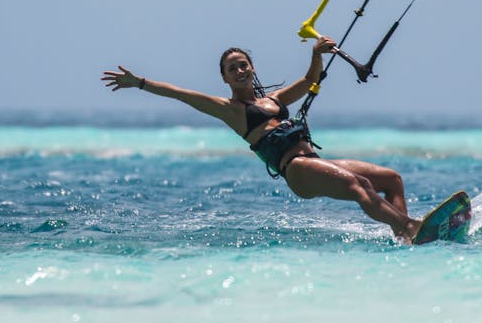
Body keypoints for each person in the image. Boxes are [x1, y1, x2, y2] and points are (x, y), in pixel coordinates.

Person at [101, 36, 423, 242]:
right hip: (296, 170)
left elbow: (311, 79)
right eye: (232, 69)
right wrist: (139, 82)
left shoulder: (276, 99)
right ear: (224, 78)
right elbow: (181, 95)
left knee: (391, 180)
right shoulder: (229, 110)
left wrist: (317, 53)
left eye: (243, 65)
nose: (239, 71)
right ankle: (409, 227)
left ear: (252, 68)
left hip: (315, 163)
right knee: (359, 186)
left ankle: (405, 237)